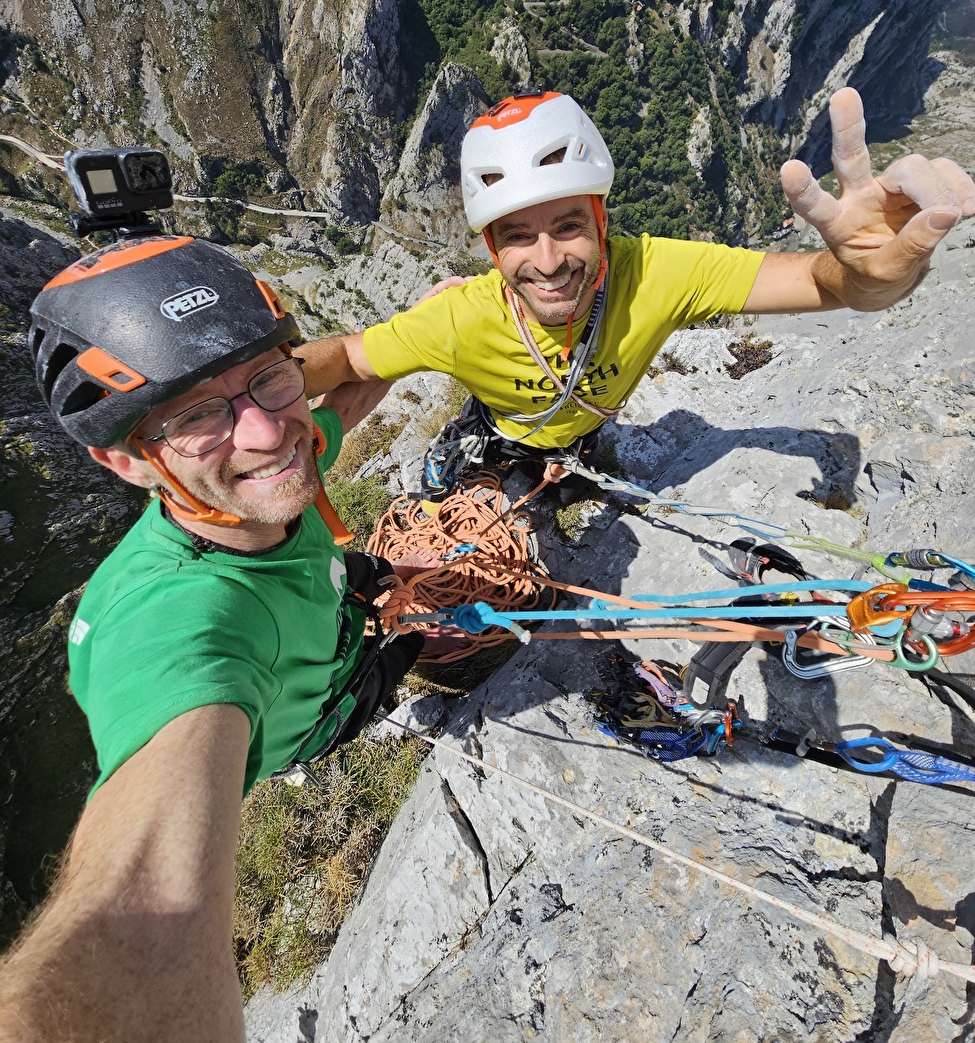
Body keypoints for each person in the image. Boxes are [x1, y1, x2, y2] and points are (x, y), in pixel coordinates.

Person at [0, 236, 420, 1042]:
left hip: (326, 612)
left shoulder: (258, 470)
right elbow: (141, 911)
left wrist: (423, 329)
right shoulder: (182, 620)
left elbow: (340, 396)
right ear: (125, 463)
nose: (266, 434)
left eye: (269, 376)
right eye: (195, 414)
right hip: (329, 705)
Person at [296, 87, 975, 501]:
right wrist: (248, 385)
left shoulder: (655, 272)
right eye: (518, 239)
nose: (548, 261)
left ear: (602, 223)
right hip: (501, 438)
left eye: (568, 227)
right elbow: (351, 360)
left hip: (589, 434)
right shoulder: (456, 317)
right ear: (490, 250)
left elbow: (815, 283)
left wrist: (867, 273)